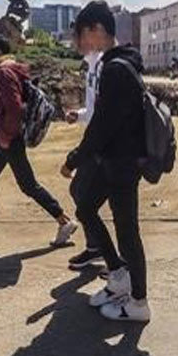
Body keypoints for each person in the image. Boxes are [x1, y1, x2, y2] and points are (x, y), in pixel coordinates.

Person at [61, 0, 150, 322]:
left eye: (82, 35)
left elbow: (102, 126)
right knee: (84, 206)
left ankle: (139, 303)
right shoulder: (112, 63)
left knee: (127, 230)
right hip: (109, 158)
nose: (80, 42)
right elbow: (102, 122)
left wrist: (73, 158)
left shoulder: (116, 69)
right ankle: (118, 277)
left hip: (122, 162)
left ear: (98, 31)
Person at [0, 34, 78, 246]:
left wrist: (5, 136)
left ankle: (63, 220)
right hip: (9, 135)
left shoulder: (3, 72)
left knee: (28, 185)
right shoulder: (14, 69)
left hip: (10, 137)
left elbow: (14, 108)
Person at [64, 32, 105, 271]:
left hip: (102, 146)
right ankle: (97, 248)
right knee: (82, 196)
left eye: (76, 37)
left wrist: (75, 157)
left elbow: (104, 114)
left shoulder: (102, 65)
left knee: (82, 195)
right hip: (97, 143)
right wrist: (78, 115)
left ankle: (105, 254)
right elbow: (93, 110)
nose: (72, 42)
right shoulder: (91, 65)